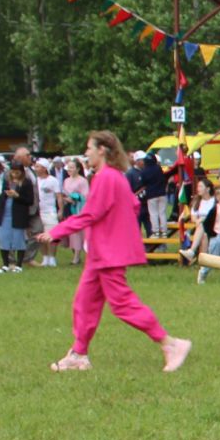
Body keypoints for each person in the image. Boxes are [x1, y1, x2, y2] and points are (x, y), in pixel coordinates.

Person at [37, 131, 190, 373]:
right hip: (102, 253)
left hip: (109, 253)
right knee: (84, 303)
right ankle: (78, 354)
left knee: (122, 303)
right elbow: (133, 204)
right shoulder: (113, 177)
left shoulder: (106, 178)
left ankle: (170, 343)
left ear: (102, 150)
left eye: (89, 148)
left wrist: (58, 230)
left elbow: (92, 213)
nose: (86, 153)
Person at [0, 165, 35, 271]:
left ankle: (19, 265)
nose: (14, 175)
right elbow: (1, 196)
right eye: (12, 172)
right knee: (4, 238)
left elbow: (30, 200)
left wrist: (17, 196)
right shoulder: (7, 181)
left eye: (17, 173)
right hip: (5, 214)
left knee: (18, 239)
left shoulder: (26, 183)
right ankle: (5, 264)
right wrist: (6, 194)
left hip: (18, 214)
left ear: (21, 172)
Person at [33, 161, 62, 267]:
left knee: (52, 235)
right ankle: (45, 257)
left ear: (44, 168)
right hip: (38, 211)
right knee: (39, 235)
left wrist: (60, 210)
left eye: (38, 167)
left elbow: (58, 196)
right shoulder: (35, 180)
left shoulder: (53, 180)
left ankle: (52, 257)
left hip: (50, 211)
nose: (35, 169)